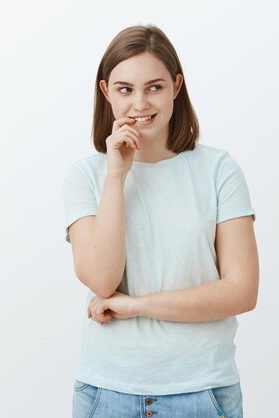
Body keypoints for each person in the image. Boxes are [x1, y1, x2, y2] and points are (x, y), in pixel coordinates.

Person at [62, 24, 259, 418]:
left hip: (203, 391)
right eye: (125, 89)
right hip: (108, 392)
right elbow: (101, 279)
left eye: (154, 87)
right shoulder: (85, 176)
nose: (139, 103)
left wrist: (137, 305)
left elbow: (241, 292)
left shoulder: (218, 170)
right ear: (106, 93)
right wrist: (116, 175)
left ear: (176, 86)